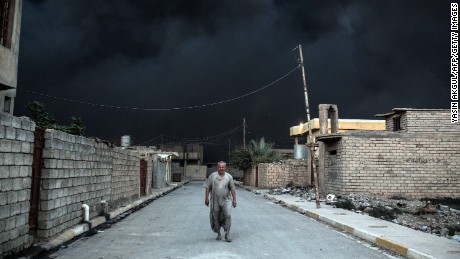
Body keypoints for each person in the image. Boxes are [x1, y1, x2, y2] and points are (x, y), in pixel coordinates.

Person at [204, 161, 237, 242]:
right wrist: (206, 198)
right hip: (215, 200)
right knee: (215, 216)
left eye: (223, 167)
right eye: (219, 167)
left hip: (226, 200)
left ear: (225, 168)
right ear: (217, 167)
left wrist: (234, 200)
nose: (221, 168)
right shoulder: (212, 176)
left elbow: (232, 188)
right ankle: (218, 233)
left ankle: (227, 233)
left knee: (228, 215)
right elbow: (207, 187)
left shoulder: (229, 177)